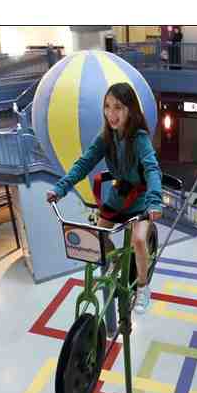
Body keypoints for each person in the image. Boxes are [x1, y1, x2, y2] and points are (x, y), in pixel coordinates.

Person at [46, 82, 163, 314]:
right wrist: (60, 188)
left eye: (118, 107)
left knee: (139, 240)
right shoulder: (105, 138)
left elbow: (152, 169)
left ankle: (142, 287)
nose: (111, 113)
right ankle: (115, 261)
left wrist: (155, 201)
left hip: (141, 200)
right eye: (107, 106)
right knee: (97, 236)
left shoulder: (139, 138)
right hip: (118, 197)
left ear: (130, 109)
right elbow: (84, 163)